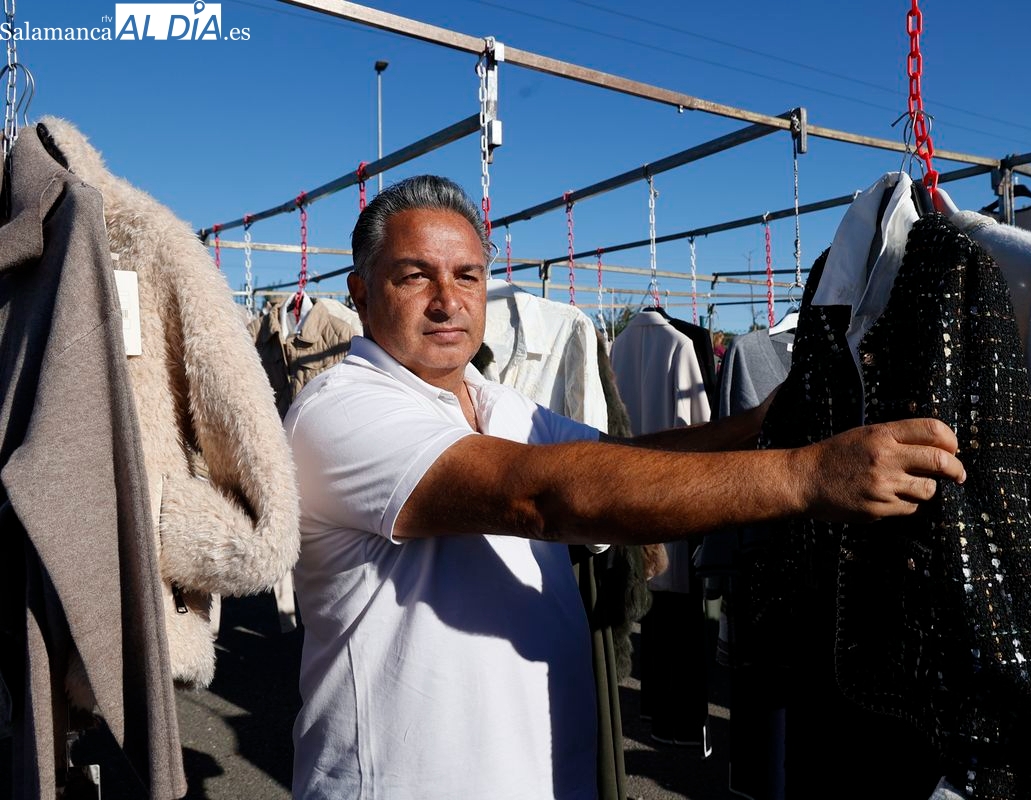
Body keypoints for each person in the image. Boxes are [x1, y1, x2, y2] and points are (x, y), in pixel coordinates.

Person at [284, 174, 967, 800]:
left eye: (467, 275)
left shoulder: (494, 402)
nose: (447, 301)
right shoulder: (341, 410)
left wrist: (759, 424)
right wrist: (808, 475)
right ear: (361, 293)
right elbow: (543, 498)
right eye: (414, 276)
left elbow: (617, 461)